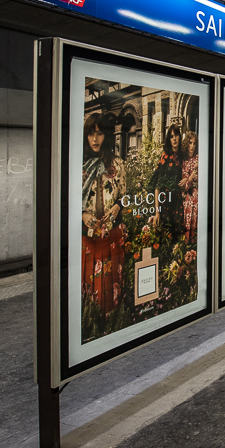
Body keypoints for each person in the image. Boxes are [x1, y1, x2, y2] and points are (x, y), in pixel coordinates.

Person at [81, 111, 126, 315]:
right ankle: (90, 322)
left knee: (110, 286)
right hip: (88, 238)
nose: (95, 139)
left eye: (99, 133)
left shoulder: (117, 164)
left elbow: (127, 196)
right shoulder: (79, 166)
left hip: (112, 235)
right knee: (89, 284)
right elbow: (69, 201)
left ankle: (112, 321)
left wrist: (118, 206)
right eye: (91, 133)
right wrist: (82, 215)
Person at [149, 124, 184, 235]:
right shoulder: (165, 157)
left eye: (176, 135)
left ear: (180, 136)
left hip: (178, 203)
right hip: (165, 203)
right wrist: (157, 212)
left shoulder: (183, 157)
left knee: (177, 238)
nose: (174, 138)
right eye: (171, 136)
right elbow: (157, 186)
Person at [179, 131, 199, 243]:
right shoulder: (184, 162)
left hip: (198, 196)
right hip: (188, 199)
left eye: (194, 143)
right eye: (190, 143)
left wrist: (188, 179)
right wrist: (190, 178)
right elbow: (184, 187)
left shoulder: (199, 158)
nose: (192, 146)